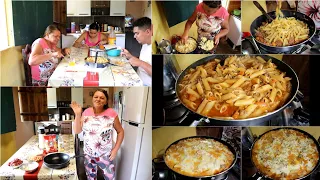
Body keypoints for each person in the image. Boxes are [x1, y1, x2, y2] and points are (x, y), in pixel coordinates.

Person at [71, 89, 124, 180]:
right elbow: (77, 131)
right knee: (91, 177)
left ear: (106, 101)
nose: (98, 99)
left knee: (110, 177)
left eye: (102, 98)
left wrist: (115, 150)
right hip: (88, 154)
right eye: (96, 97)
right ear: (92, 99)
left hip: (105, 155)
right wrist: (77, 114)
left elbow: (120, 131)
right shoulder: (86, 112)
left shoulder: (112, 113)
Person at [121, 17, 152, 86]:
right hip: (138, 79)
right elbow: (143, 62)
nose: (134, 36)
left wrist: (140, 63)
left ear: (148, 32)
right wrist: (130, 56)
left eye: (137, 33)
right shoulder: (144, 44)